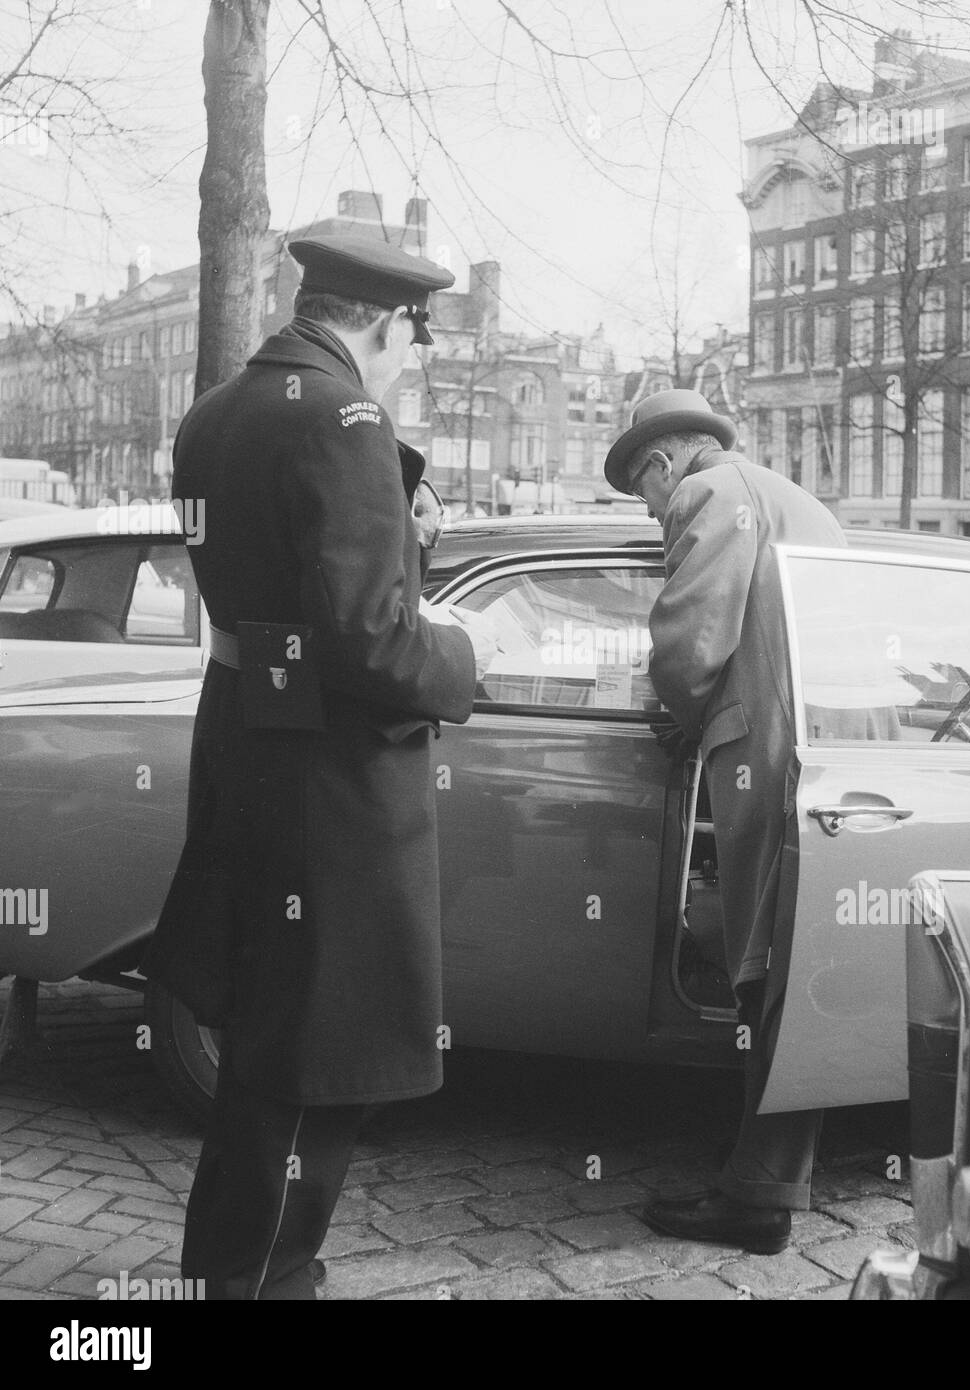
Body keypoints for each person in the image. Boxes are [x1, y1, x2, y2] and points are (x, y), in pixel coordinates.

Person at [142, 235, 498, 1300]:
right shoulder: (344, 420)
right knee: (320, 1054)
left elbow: (286, 596)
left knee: (271, 1039)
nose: (401, 371)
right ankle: (262, 1280)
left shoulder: (217, 411)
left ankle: (246, 1272)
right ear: (387, 323)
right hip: (333, 784)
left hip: (248, 747)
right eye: (407, 349)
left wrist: (404, 533)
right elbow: (371, 642)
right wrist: (467, 655)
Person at [603, 389, 845, 1256]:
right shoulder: (789, 497)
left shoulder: (712, 494)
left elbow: (691, 639)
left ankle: (756, 1196)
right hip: (821, 754)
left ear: (664, 464)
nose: (652, 509)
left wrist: (674, 704)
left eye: (643, 492)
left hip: (767, 756)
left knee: (761, 970)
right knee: (792, 968)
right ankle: (764, 1173)